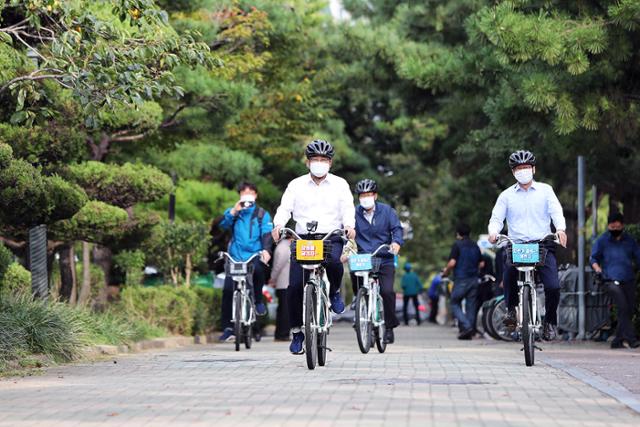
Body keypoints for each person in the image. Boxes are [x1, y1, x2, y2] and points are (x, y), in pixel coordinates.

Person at [271, 139, 356, 355]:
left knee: (335, 263)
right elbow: (284, 208)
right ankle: (298, 332)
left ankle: (335, 292)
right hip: (304, 239)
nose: (319, 163)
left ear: (330, 162)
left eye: (323, 160)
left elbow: (347, 208)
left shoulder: (340, 184)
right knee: (295, 286)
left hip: (330, 236)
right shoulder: (296, 185)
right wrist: (278, 225)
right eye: (315, 159)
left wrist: (349, 226)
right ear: (308, 163)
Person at [488, 150, 568, 341]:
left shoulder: (545, 190)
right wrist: (493, 232)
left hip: (542, 244)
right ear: (513, 172)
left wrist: (561, 229)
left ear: (533, 169)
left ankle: (550, 322)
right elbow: (497, 218)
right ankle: (510, 312)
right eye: (518, 168)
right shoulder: (506, 195)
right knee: (508, 276)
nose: (523, 171)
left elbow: (556, 211)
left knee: (553, 287)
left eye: (526, 167)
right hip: (517, 245)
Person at [218, 182, 273, 342]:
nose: (247, 195)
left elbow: (267, 233)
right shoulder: (235, 212)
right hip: (235, 256)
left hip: (253, 254)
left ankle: (257, 300)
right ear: (240, 195)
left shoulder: (262, 214)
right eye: (244, 192)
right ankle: (228, 328)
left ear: (255, 195)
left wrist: (266, 250)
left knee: (258, 269)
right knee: (228, 289)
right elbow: (222, 225)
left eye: (250, 192)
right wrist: (234, 211)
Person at [351, 178, 403, 343]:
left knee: (387, 291)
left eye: (369, 194)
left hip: (384, 257)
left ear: (375, 195)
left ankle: (389, 327)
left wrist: (396, 243)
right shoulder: (353, 213)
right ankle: (360, 305)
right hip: (363, 257)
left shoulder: (387, 211)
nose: (365, 197)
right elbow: (347, 232)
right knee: (356, 279)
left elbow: (397, 229)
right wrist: (347, 248)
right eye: (362, 195)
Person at [590, 212, 640, 349]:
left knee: (628, 309)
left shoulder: (630, 241)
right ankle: (631, 339)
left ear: (622, 226)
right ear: (608, 227)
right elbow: (593, 258)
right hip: (609, 280)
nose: (615, 230)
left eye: (618, 227)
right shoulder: (602, 240)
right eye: (612, 228)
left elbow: (638, 256)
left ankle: (617, 340)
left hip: (628, 279)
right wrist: (598, 269)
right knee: (623, 306)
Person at [442, 223, 483, 340]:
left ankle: (466, 326)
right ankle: (468, 331)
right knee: (471, 305)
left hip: (461, 278)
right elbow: (481, 263)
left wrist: (446, 272)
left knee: (454, 302)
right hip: (474, 279)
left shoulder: (457, 245)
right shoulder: (475, 245)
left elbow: (452, 263)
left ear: (458, 233)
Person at [270, 238, 292, 341]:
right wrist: (273, 278)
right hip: (284, 283)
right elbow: (278, 266)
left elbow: (277, 266)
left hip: (283, 283)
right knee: (284, 310)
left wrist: (273, 278)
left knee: (284, 309)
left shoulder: (283, 246)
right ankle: (282, 334)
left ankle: (282, 333)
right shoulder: (284, 247)